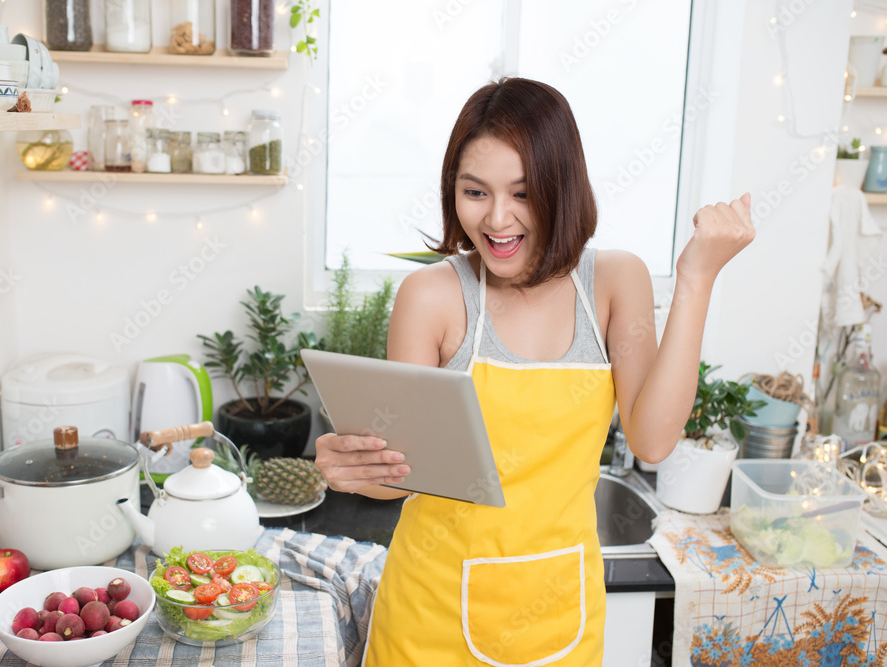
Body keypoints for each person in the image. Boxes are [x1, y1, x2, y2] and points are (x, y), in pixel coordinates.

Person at [314, 76, 754, 666]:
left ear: (562, 187)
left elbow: (652, 441)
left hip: (560, 614)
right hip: (430, 613)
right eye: (475, 192)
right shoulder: (432, 296)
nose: (498, 219)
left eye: (523, 193)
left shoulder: (616, 282)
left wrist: (697, 279)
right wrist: (349, 468)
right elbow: (405, 470)